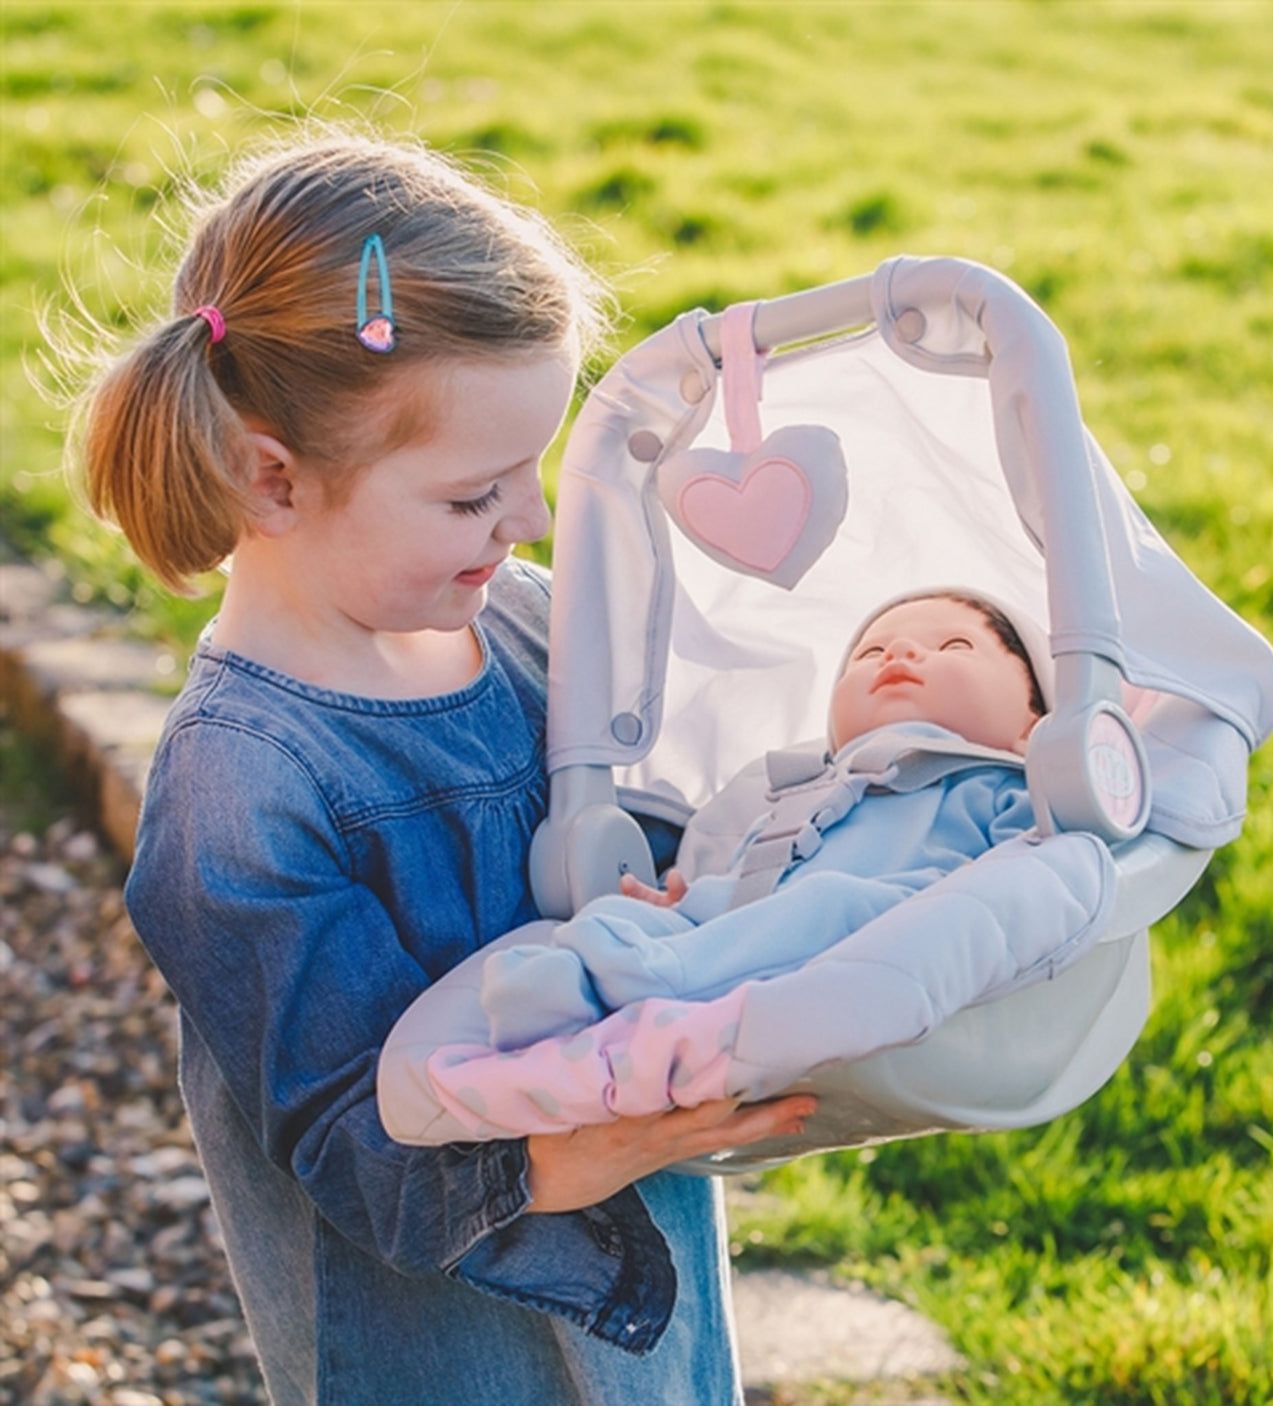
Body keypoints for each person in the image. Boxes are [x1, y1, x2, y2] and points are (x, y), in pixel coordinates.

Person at [72, 130, 817, 1406]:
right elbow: (354, 1141)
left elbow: (654, 818)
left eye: (531, 471)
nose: (525, 519)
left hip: (643, 1286)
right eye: (475, 494)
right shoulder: (241, 794)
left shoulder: (525, 626)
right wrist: (592, 1139)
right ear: (272, 479)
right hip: (432, 1340)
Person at [420, 588, 1049, 1138]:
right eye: (871, 654)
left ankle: (619, 1015)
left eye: (955, 646)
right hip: (756, 918)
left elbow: (1033, 876)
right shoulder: (802, 788)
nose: (901, 657)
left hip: (887, 925)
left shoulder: (1002, 785)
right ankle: (553, 996)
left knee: (822, 902)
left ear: (1032, 723)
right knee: (627, 920)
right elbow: (738, 878)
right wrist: (677, 905)